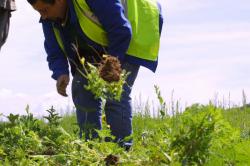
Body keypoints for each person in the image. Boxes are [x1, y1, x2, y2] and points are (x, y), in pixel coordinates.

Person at [26, 0, 163, 149]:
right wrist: (61, 73)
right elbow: (54, 50)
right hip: (99, 45)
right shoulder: (49, 19)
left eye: (45, 10)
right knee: (81, 87)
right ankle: (90, 148)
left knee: (115, 93)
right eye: (39, 12)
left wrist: (112, 62)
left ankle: (120, 152)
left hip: (130, 32)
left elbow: (121, 29)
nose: (43, 16)